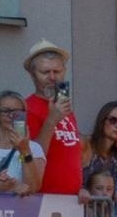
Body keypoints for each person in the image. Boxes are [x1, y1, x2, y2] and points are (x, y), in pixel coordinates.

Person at [22, 40, 83, 197]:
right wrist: (51, 120)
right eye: (45, 72)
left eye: (57, 72)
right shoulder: (26, 108)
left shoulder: (65, 108)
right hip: (41, 200)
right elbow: (31, 156)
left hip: (70, 201)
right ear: (32, 74)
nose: (52, 77)